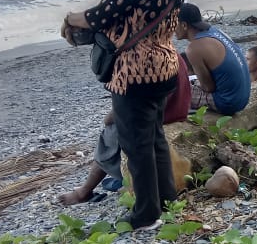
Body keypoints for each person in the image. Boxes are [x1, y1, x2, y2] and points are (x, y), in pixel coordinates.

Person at [62, 0, 197, 231]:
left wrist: (70, 18)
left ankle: (146, 214)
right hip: (166, 68)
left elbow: (99, 15)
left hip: (135, 74)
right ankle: (166, 199)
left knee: (136, 145)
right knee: (154, 139)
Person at [58, 54, 191, 206]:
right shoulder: (169, 52)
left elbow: (126, 110)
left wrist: (110, 117)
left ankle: (85, 190)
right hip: (177, 111)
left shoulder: (141, 58)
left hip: (160, 116)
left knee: (111, 131)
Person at [176, 3, 251, 116]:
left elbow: (208, 87)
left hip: (226, 102)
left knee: (174, 88)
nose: (171, 27)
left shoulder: (193, 48)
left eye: (173, 23)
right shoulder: (215, 32)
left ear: (184, 25)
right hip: (242, 98)